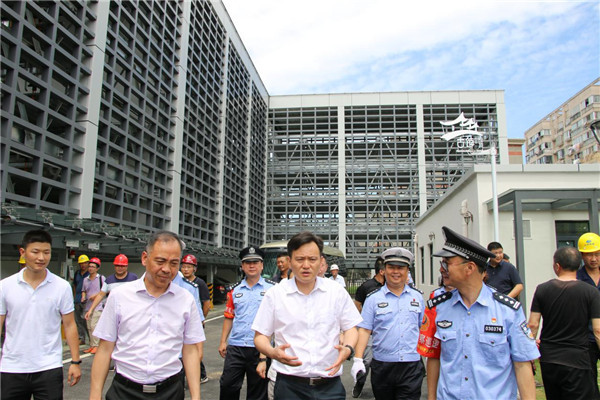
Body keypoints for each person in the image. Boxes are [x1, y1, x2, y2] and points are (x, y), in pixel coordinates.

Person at [418, 226, 539, 400]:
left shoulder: (507, 311)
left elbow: (522, 364)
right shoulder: (440, 307)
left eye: (447, 263)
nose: (441, 269)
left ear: (469, 268)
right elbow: (435, 358)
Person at [89, 230, 204, 400]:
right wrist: (95, 394)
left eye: (174, 263)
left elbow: (190, 350)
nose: (167, 269)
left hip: (170, 391)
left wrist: (196, 396)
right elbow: (105, 348)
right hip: (125, 391)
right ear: (145, 258)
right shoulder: (120, 296)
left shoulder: (186, 299)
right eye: (160, 261)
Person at [253, 231, 362, 400]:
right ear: (290, 261)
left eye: (312, 259)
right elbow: (260, 336)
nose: (306, 265)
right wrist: (272, 353)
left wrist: (347, 349)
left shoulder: (336, 292)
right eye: (299, 259)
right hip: (289, 386)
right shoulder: (275, 294)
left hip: (330, 385)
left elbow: (351, 328)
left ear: (321, 261)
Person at [0, 229, 82, 399]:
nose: (41, 258)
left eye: (46, 252)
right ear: (23, 252)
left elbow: (69, 324)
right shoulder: (6, 286)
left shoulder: (61, 286)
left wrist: (75, 361)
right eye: (35, 252)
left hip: (48, 367)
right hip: (12, 367)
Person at [528, 246, 600, 400]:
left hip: (549, 359)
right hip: (578, 358)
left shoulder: (542, 289)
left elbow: (533, 325)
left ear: (557, 266)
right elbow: (598, 330)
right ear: (578, 264)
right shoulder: (590, 292)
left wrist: (528, 355)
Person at [352, 248, 424, 400]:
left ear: (407, 271)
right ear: (384, 270)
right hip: (383, 366)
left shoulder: (418, 297)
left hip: (411, 365)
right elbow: (364, 330)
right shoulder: (373, 299)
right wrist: (358, 359)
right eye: (391, 267)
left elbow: (422, 328)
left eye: (401, 268)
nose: (396, 272)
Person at [219, 246, 273, 400]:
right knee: (228, 386)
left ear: (262, 265)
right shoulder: (234, 290)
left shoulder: (272, 289)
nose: (251, 265)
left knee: (258, 391)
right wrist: (223, 341)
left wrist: (264, 356)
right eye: (247, 262)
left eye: (255, 262)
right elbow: (229, 316)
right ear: (242, 266)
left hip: (260, 347)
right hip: (236, 346)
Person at [351, 256, 385, 398]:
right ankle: (359, 383)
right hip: (370, 331)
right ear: (382, 271)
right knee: (366, 360)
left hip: (384, 331)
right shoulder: (366, 286)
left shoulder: (390, 286)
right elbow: (357, 305)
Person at [181, 254, 211, 384]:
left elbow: (206, 303)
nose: (186, 269)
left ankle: (201, 374)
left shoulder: (199, 283)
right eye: (184, 266)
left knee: (194, 350)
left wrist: (201, 319)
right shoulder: (179, 282)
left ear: (195, 269)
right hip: (182, 322)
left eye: (189, 267)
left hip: (196, 322)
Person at [576, 231, 600, 397]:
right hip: (587, 338)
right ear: (582, 256)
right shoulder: (576, 278)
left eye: (597, 254)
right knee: (589, 380)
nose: (593, 259)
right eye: (589, 255)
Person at [84, 254, 138, 320]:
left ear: (126, 266)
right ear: (114, 266)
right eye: (117, 266)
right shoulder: (109, 280)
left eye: (122, 266)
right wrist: (91, 310)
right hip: (114, 314)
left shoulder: (133, 278)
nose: (120, 268)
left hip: (130, 313)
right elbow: (101, 295)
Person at [81, 257, 105, 354]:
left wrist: (95, 296)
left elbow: (104, 290)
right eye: (89, 266)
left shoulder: (101, 278)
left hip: (98, 306)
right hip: (88, 306)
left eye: (93, 267)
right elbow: (84, 290)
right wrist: (83, 296)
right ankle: (92, 345)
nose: (90, 268)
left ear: (97, 268)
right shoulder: (85, 280)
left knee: (94, 325)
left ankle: (96, 345)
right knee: (89, 326)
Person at [73, 254, 90, 345]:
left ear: (88, 263)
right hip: (77, 299)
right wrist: (75, 297)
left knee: (86, 320)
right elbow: (75, 285)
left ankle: (90, 338)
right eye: (81, 263)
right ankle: (81, 338)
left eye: (84, 263)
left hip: (86, 301)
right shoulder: (77, 273)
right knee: (78, 320)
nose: (83, 265)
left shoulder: (90, 274)